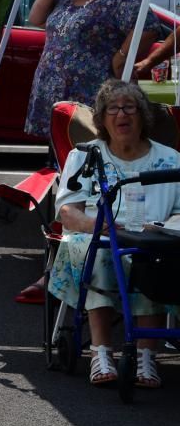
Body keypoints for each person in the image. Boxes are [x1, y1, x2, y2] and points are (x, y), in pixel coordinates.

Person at [17, 0, 158, 302]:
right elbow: (34, 18)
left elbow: (151, 27)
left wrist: (123, 58)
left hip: (88, 104)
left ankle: (65, 268)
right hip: (55, 100)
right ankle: (61, 262)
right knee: (63, 179)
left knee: (84, 182)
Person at [47, 79, 180, 388]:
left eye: (130, 107)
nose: (122, 115)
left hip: (152, 240)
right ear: (102, 119)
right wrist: (101, 227)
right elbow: (68, 210)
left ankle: (147, 356)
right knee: (101, 254)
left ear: (143, 115)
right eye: (113, 109)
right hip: (95, 235)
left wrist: (162, 229)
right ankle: (101, 351)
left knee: (156, 259)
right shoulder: (85, 157)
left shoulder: (171, 160)